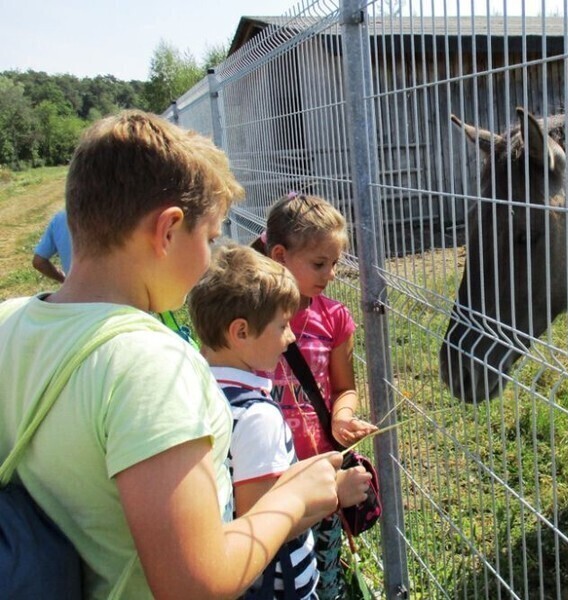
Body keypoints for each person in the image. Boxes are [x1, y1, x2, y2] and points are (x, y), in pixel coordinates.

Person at [0, 110, 342, 600]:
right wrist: (292, 498)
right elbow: (192, 585)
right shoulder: (151, 364)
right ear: (167, 230)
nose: (209, 257)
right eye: (208, 237)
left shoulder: (9, 320)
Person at [188, 244, 372, 599]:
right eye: (283, 325)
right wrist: (336, 492)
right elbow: (261, 524)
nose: (290, 338)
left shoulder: (195, 387)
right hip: (277, 586)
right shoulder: (258, 417)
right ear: (240, 332)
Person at [262, 192, 379, 600]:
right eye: (318, 263)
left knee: (321, 574)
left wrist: (341, 417)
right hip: (264, 478)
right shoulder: (247, 317)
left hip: (321, 476)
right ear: (279, 255)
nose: (329, 274)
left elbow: (344, 387)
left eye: (334, 262)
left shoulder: (334, 319)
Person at [32, 209, 72, 283]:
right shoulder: (99, 216)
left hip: (74, 290)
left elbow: (39, 262)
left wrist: (64, 280)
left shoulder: (60, 218)